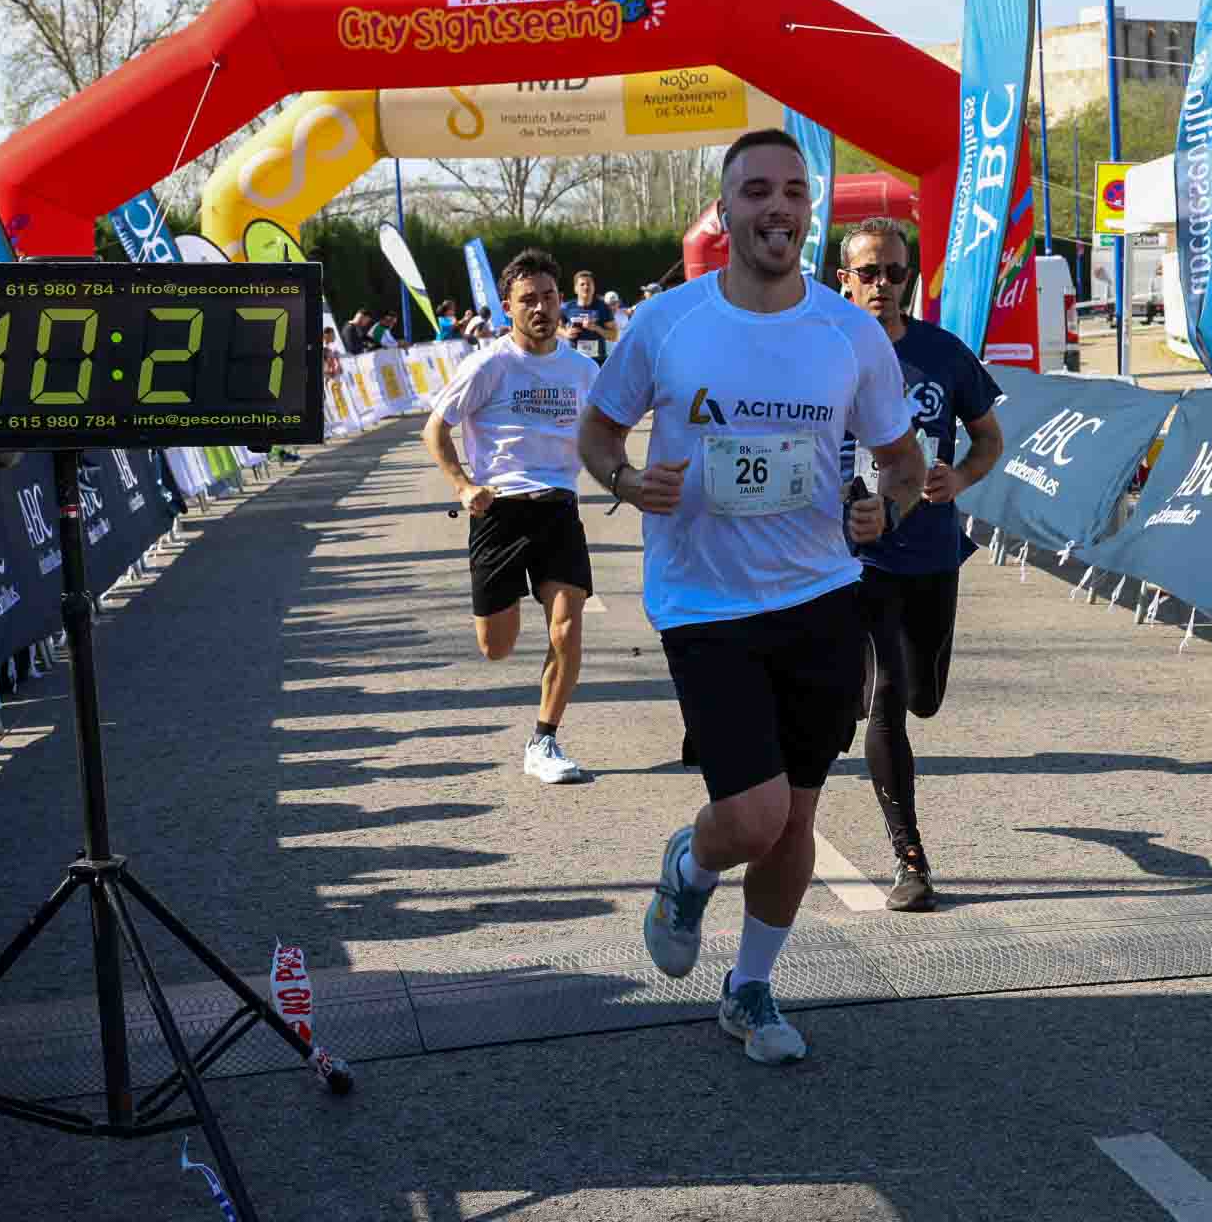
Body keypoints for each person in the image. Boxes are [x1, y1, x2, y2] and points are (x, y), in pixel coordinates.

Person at [580, 127, 924, 1065]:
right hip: (704, 602)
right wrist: (626, 481)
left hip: (822, 596)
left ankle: (751, 989)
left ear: (809, 212)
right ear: (725, 210)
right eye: (757, 191)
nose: (778, 208)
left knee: (797, 819)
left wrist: (885, 510)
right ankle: (689, 868)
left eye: (794, 193)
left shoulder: (849, 332)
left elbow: (901, 462)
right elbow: (599, 434)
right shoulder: (668, 323)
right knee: (752, 817)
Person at [835, 218, 1005, 912]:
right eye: (868, 272)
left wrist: (959, 478)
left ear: (910, 278)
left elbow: (989, 438)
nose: (882, 284)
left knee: (922, 697)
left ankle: (866, 676)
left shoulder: (942, 353)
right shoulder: (823, 353)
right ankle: (911, 860)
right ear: (844, 280)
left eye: (894, 272)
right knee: (885, 699)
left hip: (932, 550)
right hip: (858, 557)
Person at [423, 248, 603, 786]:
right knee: (496, 646)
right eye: (528, 300)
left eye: (549, 297)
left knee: (567, 627)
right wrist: (464, 486)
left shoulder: (582, 369)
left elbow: (606, 430)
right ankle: (508, 605)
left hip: (558, 509)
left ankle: (544, 739)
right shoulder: (488, 366)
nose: (541, 308)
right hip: (498, 512)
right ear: (508, 308)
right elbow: (435, 429)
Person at [560, 270, 619, 363]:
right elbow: (556, 327)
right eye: (582, 284)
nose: (586, 287)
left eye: (589, 284)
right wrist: (566, 333)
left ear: (594, 287)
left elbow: (614, 336)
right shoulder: (567, 307)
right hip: (574, 360)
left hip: (597, 361)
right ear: (575, 289)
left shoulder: (603, 308)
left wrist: (596, 328)